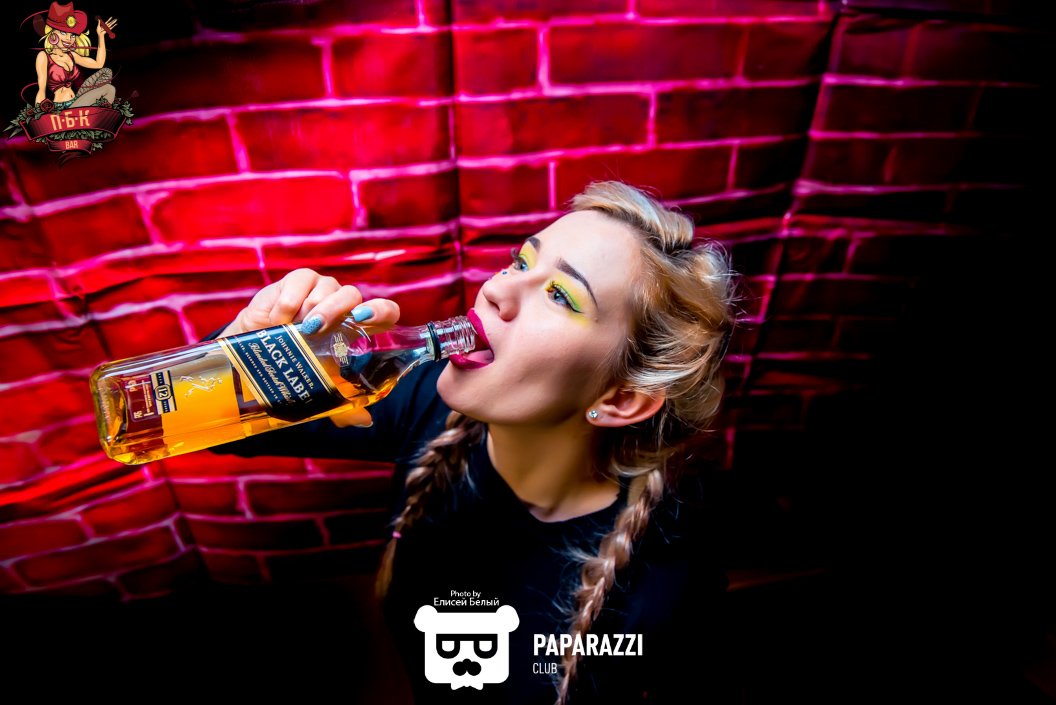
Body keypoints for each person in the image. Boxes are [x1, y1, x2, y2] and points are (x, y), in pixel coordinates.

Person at [203, 180, 742, 704]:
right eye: (521, 262)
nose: (495, 289)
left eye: (560, 295)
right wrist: (244, 350)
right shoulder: (421, 400)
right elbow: (215, 424)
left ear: (620, 399)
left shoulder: (667, 581)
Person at [29, 2, 117, 111]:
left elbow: (98, 64)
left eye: (72, 35)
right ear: (52, 34)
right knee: (108, 88)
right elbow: (41, 90)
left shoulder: (72, 55)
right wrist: (39, 115)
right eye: (63, 33)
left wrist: (101, 36)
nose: (69, 39)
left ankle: (98, 115)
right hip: (60, 108)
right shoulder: (44, 56)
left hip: (76, 102)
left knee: (108, 85)